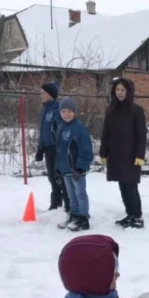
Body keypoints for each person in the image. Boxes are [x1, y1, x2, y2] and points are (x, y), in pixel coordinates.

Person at [99, 78, 147, 229]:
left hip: (131, 155)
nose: (120, 93)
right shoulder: (111, 109)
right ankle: (130, 214)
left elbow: (141, 135)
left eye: (123, 90)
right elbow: (106, 132)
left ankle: (137, 216)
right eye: (118, 89)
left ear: (129, 92)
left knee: (131, 185)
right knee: (122, 184)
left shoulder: (136, 110)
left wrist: (140, 156)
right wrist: (104, 152)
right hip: (116, 154)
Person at [56, 98, 94, 232]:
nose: (66, 114)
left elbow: (86, 149)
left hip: (76, 169)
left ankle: (83, 218)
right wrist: (58, 169)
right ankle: (75, 215)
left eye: (69, 111)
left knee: (80, 194)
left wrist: (80, 166)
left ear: (74, 112)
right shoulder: (61, 127)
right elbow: (59, 150)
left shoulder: (79, 128)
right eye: (64, 111)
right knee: (71, 194)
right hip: (65, 169)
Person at [35, 82, 69, 212]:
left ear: (50, 94)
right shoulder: (45, 110)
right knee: (51, 177)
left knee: (60, 177)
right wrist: (40, 148)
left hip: (57, 149)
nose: (41, 95)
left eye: (43, 92)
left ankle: (67, 205)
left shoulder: (57, 110)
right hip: (48, 149)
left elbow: (61, 131)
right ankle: (55, 204)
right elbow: (44, 130)